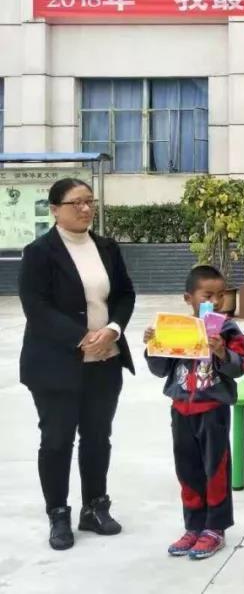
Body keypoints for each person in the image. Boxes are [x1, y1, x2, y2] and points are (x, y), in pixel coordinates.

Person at [18, 178, 135, 550]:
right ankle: (58, 514)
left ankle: (95, 507)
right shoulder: (39, 253)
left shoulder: (107, 248)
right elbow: (37, 308)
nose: (85, 209)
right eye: (76, 203)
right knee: (57, 441)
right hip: (55, 366)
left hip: (105, 361)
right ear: (55, 209)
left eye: (89, 201)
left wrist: (113, 329)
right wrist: (83, 337)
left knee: (98, 437)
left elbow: (125, 294)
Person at [144, 265, 244, 560]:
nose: (215, 301)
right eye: (207, 295)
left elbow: (240, 366)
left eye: (220, 295)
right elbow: (160, 369)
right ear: (188, 298)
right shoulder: (176, 328)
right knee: (187, 470)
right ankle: (193, 525)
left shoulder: (228, 329)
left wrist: (221, 352)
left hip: (213, 410)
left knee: (216, 470)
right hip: (181, 410)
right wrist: (153, 345)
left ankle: (215, 528)